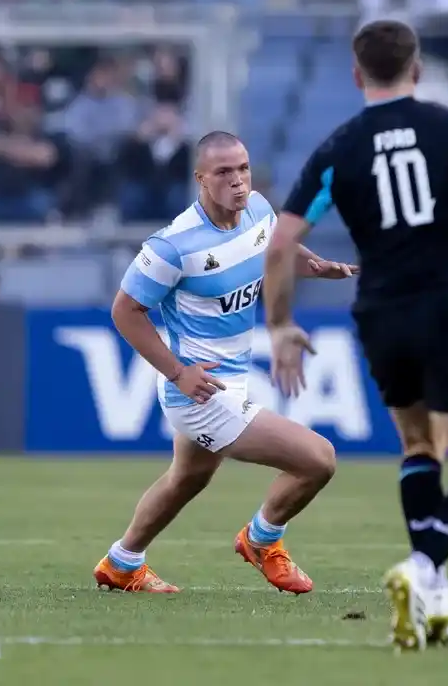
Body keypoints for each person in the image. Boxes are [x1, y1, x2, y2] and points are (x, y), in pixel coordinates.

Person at [262, 19, 448, 650]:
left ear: (357, 75)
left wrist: (279, 326)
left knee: (418, 446)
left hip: (380, 312)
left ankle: (429, 595)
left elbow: (280, 244)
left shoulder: (339, 146)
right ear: (419, 69)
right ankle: (423, 565)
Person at [94, 132, 356, 594]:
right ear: (201, 179)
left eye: (243, 169)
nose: (237, 181)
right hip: (197, 391)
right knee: (318, 459)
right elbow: (124, 311)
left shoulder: (257, 209)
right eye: (223, 173)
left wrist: (313, 265)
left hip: (230, 380)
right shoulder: (172, 246)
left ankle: (122, 562)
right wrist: (178, 371)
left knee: (187, 479)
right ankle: (262, 540)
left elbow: (270, 251)